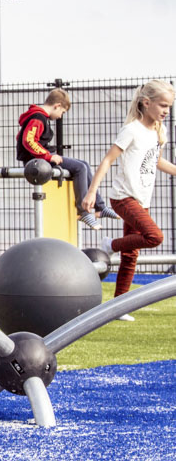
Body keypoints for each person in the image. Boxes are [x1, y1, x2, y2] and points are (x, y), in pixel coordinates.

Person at [82, 79, 176, 297]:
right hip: (124, 197)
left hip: (143, 200)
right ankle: (110, 244)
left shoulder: (159, 132)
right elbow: (107, 160)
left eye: (169, 106)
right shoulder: (131, 130)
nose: (167, 111)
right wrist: (91, 192)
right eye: (163, 105)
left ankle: (119, 304)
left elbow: (157, 162)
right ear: (146, 102)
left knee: (131, 254)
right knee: (155, 236)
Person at [16, 88, 116, 230]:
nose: (60, 116)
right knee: (79, 168)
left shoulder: (39, 117)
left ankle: (100, 207)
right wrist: (48, 156)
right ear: (57, 105)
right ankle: (83, 211)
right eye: (62, 112)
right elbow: (29, 140)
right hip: (37, 161)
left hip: (42, 157)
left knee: (84, 164)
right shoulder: (38, 117)